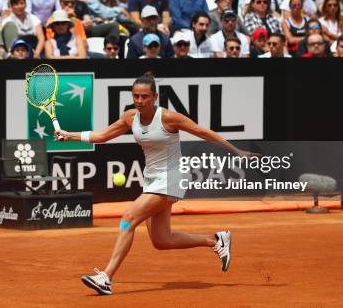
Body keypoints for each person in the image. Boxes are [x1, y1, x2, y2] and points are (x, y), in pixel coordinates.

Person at [55, 72, 254, 295]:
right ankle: (216, 240)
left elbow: (203, 132)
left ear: (155, 96)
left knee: (128, 219)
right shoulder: (130, 117)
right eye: (136, 96)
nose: (140, 101)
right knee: (162, 240)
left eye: (145, 97)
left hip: (173, 177)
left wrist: (237, 151)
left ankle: (106, 277)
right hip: (152, 179)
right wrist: (69, 135)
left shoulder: (169, 118)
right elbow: (102, 136)